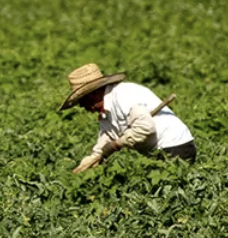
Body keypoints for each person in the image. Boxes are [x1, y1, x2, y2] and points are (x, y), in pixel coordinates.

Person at [60, 63, 195, 171]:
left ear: (92, 95)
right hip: (158, 151)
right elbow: (108, 136)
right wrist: (94, 157)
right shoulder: (106, 109)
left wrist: (116, 145)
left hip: (175, 147)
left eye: (82, 102)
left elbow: (145, 129)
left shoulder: (125, 95)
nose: (83, 108)